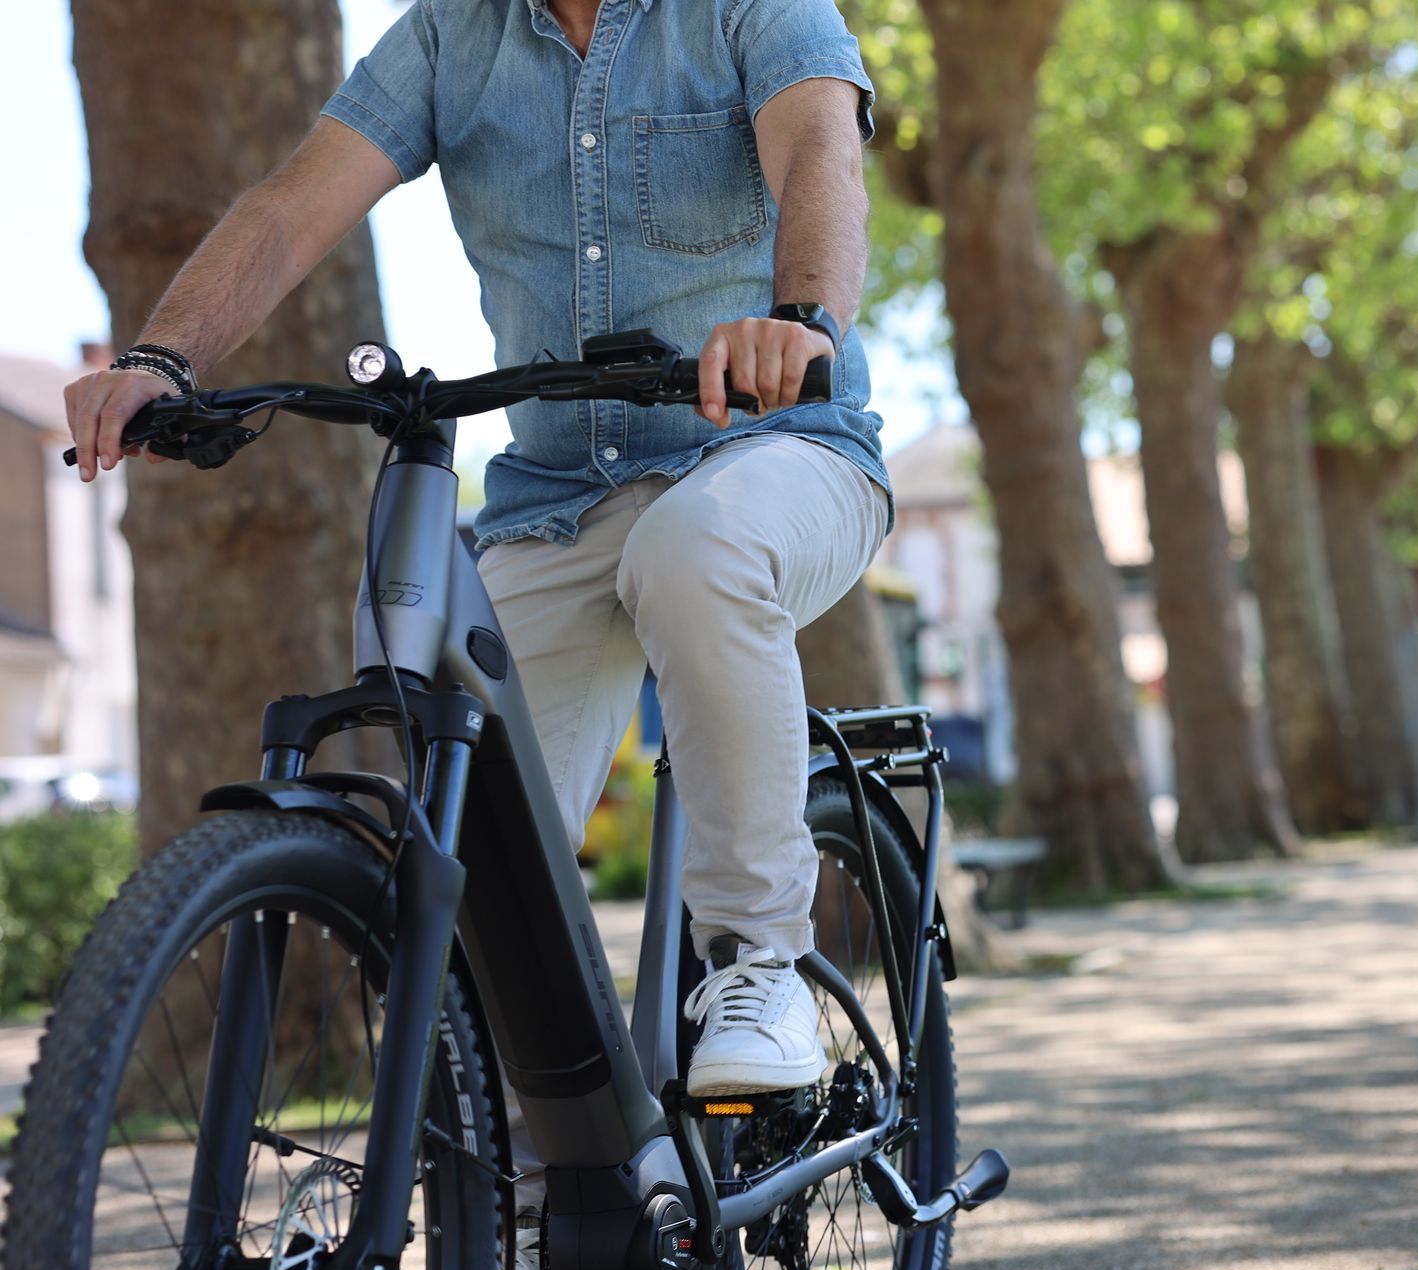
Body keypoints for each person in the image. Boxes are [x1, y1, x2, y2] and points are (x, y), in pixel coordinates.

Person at [61, 0, 890, 1104]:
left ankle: (757, 959)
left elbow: (822, 150)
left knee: (696, 549)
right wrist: (163, 357)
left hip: (779, 446)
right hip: (557, 498)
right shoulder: (452, 35)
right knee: (485, 844)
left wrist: (801, 318)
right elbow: (287, 211)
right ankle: (547, 1182)